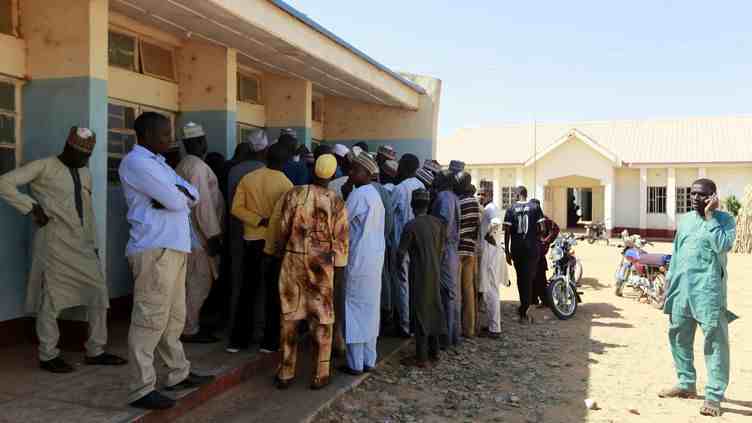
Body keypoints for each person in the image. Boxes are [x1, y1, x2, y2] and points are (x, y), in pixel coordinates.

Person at [0, 127, 127, 373]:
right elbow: (4, 183)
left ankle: (96, 350)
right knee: (52, 300)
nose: (82, 159)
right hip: (55, 242)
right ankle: (48, 355)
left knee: (99, 294)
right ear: (67, 146)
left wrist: (95, 246)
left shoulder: (85, 172)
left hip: (83, 244)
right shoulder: (44, 166)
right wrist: (31, 207)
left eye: (86, 155)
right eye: (79, 153)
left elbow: (87, 212)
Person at [120, 112, 213, 410]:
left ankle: (177, 373)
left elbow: (193, 195)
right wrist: (177, 196)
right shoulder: (136, 163)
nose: (169, 140)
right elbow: (177, 201)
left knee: (174, 317)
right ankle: (141, 387)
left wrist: (177, 194)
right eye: (163, 134)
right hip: (154, 249)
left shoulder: (160, 164)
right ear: (146, 135)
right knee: (149, 319)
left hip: (174, 248)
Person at [658, 178, 737, 418]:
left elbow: (722, 245)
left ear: (713, 196)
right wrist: (668, 286)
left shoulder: (725, 221)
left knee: (714, 343)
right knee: (678, 336)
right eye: (692, 194)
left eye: (701, 194)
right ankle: (686, 383)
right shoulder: (686, 221)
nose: (694, 198)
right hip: (682, 290)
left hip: (708, 292)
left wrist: (711, 217)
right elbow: (677, 253)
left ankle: (714, 395)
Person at [274, 154, 349, 390]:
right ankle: (321, 373)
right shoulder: (336, 202)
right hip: (322, 268)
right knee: (323, 320)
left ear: (314, 171)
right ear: (332, 175)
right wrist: (336, 269)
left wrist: (281, 253)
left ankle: (286, 372)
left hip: (292, 263)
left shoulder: (294, 194)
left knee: (289, 319)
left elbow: (282, 228)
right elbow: (341, 243)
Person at [228, 142, 293, 353]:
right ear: (287, 161)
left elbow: (236, 209)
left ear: (266, 156)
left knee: (247, 290)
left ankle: (238, 341)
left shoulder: (249, 178)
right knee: (273, 293)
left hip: (252, 240)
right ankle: (269, 342)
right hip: (274, 244)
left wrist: (257, 220)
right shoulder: (288, 186)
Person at [175, 123, 225, 344]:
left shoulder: (187, 164)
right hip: (199, 236)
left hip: (192, 233)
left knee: (191, 282)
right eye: (202, 140)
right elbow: (202, 205)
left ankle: (187, 323)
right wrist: (213, 236)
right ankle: (189, 328)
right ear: (198, 142)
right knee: (199, 282)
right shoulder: (195, 166)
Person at [340, 152, 385, 375]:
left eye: (355, 170)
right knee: (369, 311)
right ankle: (369, 360)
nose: (350, 173)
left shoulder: (359, 194)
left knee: (354, 310)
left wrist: (344, 196)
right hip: (374, 260)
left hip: (358, 260)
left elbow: (341, 222)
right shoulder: (375, 195)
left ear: (367, 173)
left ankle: (354, 364)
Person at [222, 130, 268, 335]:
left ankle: (234, 325)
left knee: (238, 280)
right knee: (259, 283)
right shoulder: (267, 172)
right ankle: (257, 328)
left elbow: (233, 204)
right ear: (265, 149)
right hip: (260, 235)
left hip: (235, 233)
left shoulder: (234, 171)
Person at [397, 188, 446, 368]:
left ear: (412, 205)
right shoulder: (439, 224)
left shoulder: (411, 226)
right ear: (428, 205)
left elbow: (401, 252)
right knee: (434, 307)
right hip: (435, 271)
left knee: (420, 312)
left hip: (419, 273)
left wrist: (397, 270)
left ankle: (421, 357)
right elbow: (441, 248)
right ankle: (435, 352)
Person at [390, 154, 425, 337]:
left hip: (402, 243)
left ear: (402, 168)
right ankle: (415, 323)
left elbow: (390, 213)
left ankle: (404, 326)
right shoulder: (421, 186)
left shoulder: (399, 188)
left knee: (403, 285)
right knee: (416, 283)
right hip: (419, 242)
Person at [503, 186, 546, 324]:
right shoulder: (535, 207)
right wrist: (535, 237)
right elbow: (543, 228)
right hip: (531, 249)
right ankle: (524, 311)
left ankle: (523, 306)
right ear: (526, 194)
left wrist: (507, 252)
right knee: (529, 278)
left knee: (521, 278)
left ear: (517, 194)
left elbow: (507, 231)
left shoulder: (511, 208)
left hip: (516, 249)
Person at [431, 170, 462, 348]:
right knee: (452, 295)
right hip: (452, 250)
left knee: (447, 295)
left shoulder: (443, 197)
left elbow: (442, 224)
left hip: (445, 249)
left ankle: (446, 337)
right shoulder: (454, 197)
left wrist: (437, 249)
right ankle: (452, 336)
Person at [477, 180, 507, 338]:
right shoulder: (487, 209)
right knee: (490, 290)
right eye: (479, 193)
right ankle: (492, 326)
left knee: (491, 291)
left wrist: (489, 236)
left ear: (489, 194)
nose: (480, 196)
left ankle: (494, 329)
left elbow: (496, 223)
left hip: (490, 252)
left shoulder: (490, 209)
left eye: (483, 193)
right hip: (491, 251)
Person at [456, 172, 481, 337]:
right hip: (471, 250)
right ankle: (469, 329)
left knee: (456, 292)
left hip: (458, 251)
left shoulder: (460, 202)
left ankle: (456, 329)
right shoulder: (476, 203)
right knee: (469, 291)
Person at [530, 199, 559, 308]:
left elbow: (555, 229)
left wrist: (546, 241)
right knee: (531, 278)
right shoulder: (528, 219)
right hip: (530, 255)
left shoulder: (545, 220)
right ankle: (533, 300)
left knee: (540, 278)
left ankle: (545, 301)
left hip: (540, 255)